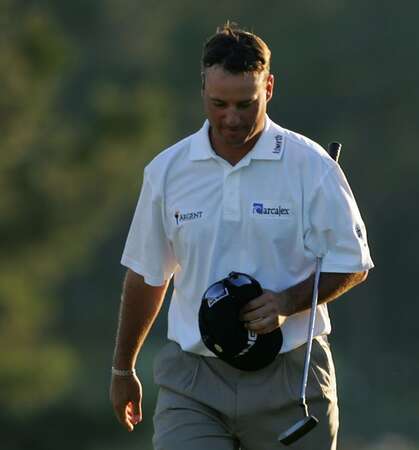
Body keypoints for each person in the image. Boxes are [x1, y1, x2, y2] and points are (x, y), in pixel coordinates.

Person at [109, 23, 373, 450]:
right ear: (202, 91)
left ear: (269, 87)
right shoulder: (167, 171)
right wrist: (124, 368)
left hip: (291, 379)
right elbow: (147, 274)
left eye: (245, 104)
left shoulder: (312, 165)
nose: (231, 118)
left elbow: (352, 262)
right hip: (192, 380)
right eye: (219, 104)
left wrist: (287, 302)